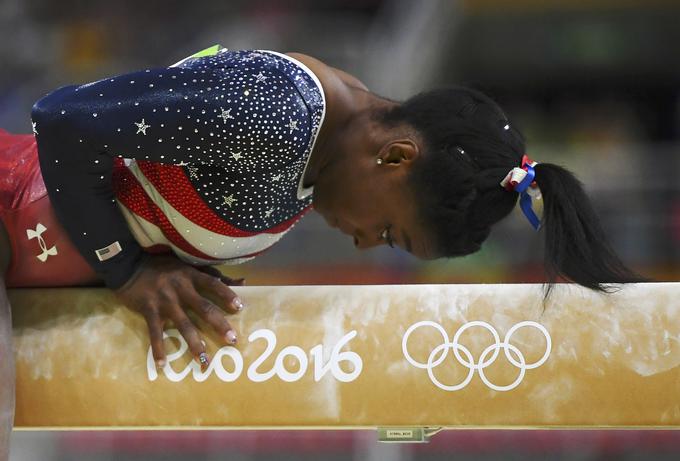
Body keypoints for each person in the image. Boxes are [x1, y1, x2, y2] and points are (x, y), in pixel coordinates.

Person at [0, 46, 643, 458]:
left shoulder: (326, 147)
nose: (366, 244)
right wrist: (126, 269)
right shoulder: (279, 112)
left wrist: (176, 264)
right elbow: (61, 118)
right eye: (390, 231)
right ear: (394, 157)